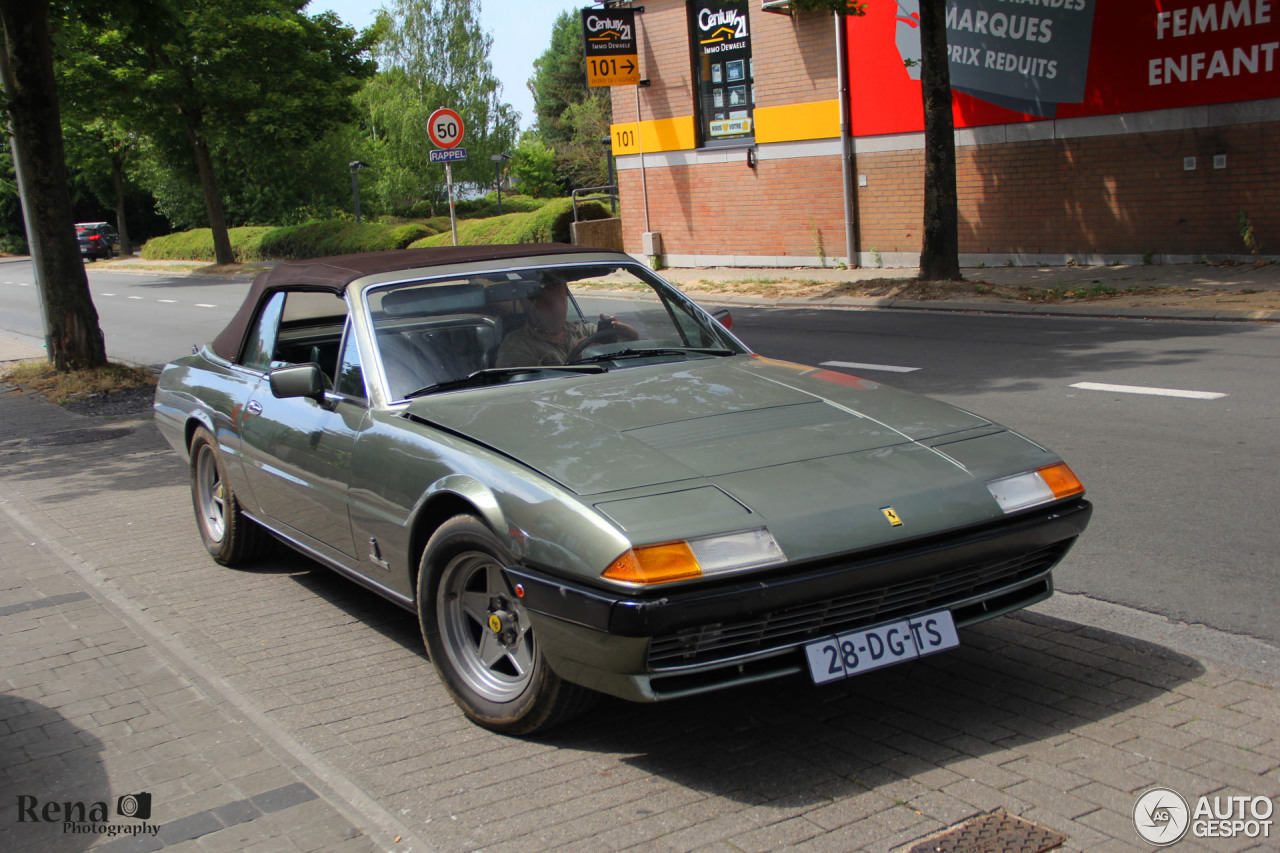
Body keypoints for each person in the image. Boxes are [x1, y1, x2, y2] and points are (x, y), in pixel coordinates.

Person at [495, 278, 634, 367]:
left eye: (561, 300)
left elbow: (625, 353)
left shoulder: (582, 330)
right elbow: (524, 390)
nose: (558, 310)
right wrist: (573, 360)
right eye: (546, 303)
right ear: (529, 307)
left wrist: (629, 335)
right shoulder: (515, 345)